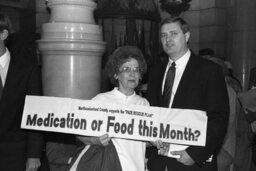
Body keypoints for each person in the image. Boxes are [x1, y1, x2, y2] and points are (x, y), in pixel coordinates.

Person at [146, 16, 229, 171]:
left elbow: (219, 117)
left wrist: (195, 154)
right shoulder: (156, 71)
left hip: (192, 162)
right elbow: (152, 111)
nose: (168, 39)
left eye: (173, 33)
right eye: (164, 35)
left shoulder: (209, 70)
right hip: (158, 160)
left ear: (186, 36)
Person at [68, 46, 150, 171]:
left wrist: (156, 142)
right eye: (126, 69)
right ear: (116, 74)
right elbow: (77, 132)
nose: (132, 74)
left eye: (136, 69)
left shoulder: (144, 104)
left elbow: (143, 142)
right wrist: (94, 140)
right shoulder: (101, 100)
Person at [0, 13, 43, 170]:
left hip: (15, 153)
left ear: (3, 34)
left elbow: (36, 112)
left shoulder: (27, 68)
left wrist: (34, 154)